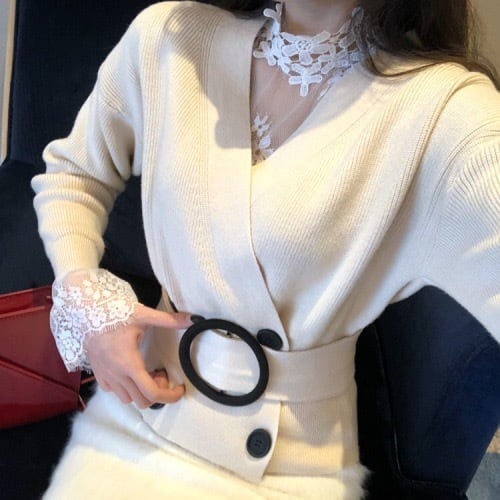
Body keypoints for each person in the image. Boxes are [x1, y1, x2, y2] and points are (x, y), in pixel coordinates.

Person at [31, 0, 500, 498]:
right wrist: (88, 303)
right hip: (138, 409)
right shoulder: (168, 39)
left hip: (286, 464)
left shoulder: (446, 117)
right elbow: (73, 174)